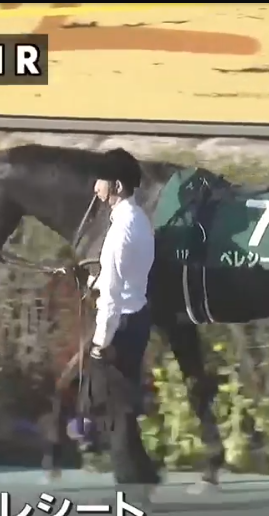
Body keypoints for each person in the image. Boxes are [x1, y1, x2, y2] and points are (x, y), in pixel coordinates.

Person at [85, 147, 160, 487]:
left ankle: (130, 485)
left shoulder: (118, 233)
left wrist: (100, 343)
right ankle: (143, 474)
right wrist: (95, 281)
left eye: (100, 181)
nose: (95, 188)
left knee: (113, 411)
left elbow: (112, 299)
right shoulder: (139, 219)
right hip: (138, 316)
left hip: (120, 326)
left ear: (116, 185)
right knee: (123, 406)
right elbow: (125, 274)